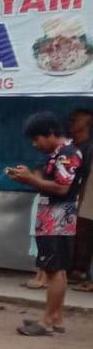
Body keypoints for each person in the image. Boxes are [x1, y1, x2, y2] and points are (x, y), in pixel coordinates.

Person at [9, 112, 81, 336]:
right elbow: (49, 183)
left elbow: (62, 188)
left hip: (57, 217)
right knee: (53, 270)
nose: (35, 144)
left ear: (50, 133)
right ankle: (55, 318)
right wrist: (29, 177)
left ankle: (47, 322)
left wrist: (30, 179)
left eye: (37, 138)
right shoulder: (57, 154)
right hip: (52, 216)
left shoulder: (68, 154)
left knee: (55, 269)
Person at [68, 108, 93, 292]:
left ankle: (81, 271)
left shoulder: (89, 147)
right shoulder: (73, 146)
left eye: (76, 120)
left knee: (83, 234)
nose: (71, 123)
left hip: (83, 196)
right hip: (71, 194)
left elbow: (85, 176)